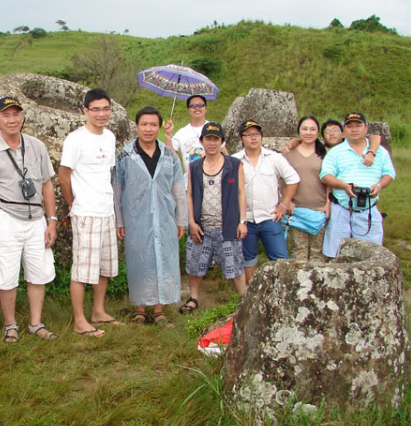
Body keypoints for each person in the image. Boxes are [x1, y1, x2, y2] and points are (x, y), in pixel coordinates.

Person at [0, 97, 58, 343]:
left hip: (36, 218)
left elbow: (47, 184)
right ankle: (10, 325)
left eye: (16, 114)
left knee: (38, 272)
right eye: (6, 115)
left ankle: (35, 323)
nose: (12, 119)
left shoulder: (36, 146)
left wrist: (51, 221)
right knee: (6, 275)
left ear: (22, 117)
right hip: (5, 218)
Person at [113, 106, 187, 326]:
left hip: (165, 217)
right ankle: (139, 309)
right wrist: (119, 219)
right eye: (144, 124)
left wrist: (181, 219)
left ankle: (159, 310)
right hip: (135, 217)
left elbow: (178, 189)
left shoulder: (169, 155)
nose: (148, 129)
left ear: (159, 127)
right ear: (136, 126)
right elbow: (117, 190)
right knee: (139, 260)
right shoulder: (125, 155)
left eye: (153, 124)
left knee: (165, 260)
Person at [58, 88, 118, 337]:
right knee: (82, 269)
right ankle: (80, 320)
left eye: (105, 109)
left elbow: (108, 173)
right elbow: (63, 177)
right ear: (85, 111)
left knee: (104, 266)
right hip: (85, 213)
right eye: (95, 109)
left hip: (106, 210)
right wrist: (74, 204)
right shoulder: (76, 139)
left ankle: (98, 311)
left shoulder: (110, 137)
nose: (101, 114)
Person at [185, 122, 248, 309]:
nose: (211, 143)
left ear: (222, 142)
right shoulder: (194, 166)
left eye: (216, 139)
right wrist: (191, 221)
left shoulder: (234, 165)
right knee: (195, 264)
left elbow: (241, 193)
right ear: (201, 141)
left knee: (234, 264)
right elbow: (189, 195)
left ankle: (243, 300)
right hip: (201, 225)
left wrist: (242, 221)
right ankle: (193, 297)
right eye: (208, 139)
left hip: (227, 224)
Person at [320, 112, 396, 258]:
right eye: (349, 126)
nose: (354, 129)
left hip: (368, 209)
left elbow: (389, 173)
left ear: (366, 128)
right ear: (344, 131)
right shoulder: (335, 152)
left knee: (371, 255)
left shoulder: (380, 152)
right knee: (336, 254)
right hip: (341, 209)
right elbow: (325, 175)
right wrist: (343, 185)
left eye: (358, 125)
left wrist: (379, 186)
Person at [232, 119, 300, 283]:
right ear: (241, 138)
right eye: (248, 135)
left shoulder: (274, 158)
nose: (253, 138)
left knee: (280, 258)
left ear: (261, 136)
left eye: (256, 134)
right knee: (248, 260)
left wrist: (283, 204)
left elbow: (293, 179)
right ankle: (251, 292)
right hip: (246, 219)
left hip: (270, 216)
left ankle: (283, 290)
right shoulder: (234, 160)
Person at [283, 116, 330, 262]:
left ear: (318, 132)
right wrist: (287, 201)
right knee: (299, 251)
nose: (308, 132)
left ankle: (316, 283)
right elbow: (281, 179)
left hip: (319, 209)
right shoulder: (288, 153)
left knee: (318, 253)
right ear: (298, 131)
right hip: (296, 210)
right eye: (304, 129)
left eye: (312, 129)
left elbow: (330, 181)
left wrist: (328, 203)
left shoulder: (326, 153)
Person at [164, 94, 226, 174]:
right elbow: (169, 155)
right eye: (193, 106)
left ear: (205, 108)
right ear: (188, 109)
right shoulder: (181, 132)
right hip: (190, 180)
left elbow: (224, 153)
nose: (197, 108)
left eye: (201, 105)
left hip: (214, 179)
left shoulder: (214, 128)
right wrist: (168, 134)